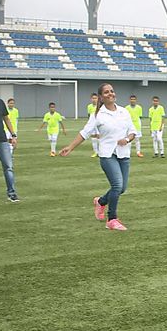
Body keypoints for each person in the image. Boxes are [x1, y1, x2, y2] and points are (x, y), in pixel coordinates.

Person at [59, 82, 140, 231]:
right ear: (101, 97)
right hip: (107, 154)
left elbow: (133, 132)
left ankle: (101, 202)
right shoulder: (98, 115)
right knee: (116, 185)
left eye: (112, 91)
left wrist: (127, 140)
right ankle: (112, 219)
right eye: (106, 92)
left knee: (122, 188)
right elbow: (85, 133)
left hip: (123, 153)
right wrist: (70, 147)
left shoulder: (124, 112)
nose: (110, 94)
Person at [88, 93, 100, 157]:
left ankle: (101, 152)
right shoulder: (89, 106)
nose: (94, 99)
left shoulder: (100, 106)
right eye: (93, 98)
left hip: (98, 124)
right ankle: (95, 152)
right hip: (92, 125)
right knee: (93, 138)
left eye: (95, 98)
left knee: (99, 138)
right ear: (91, 99)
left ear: (98, 99)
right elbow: (89, 115)